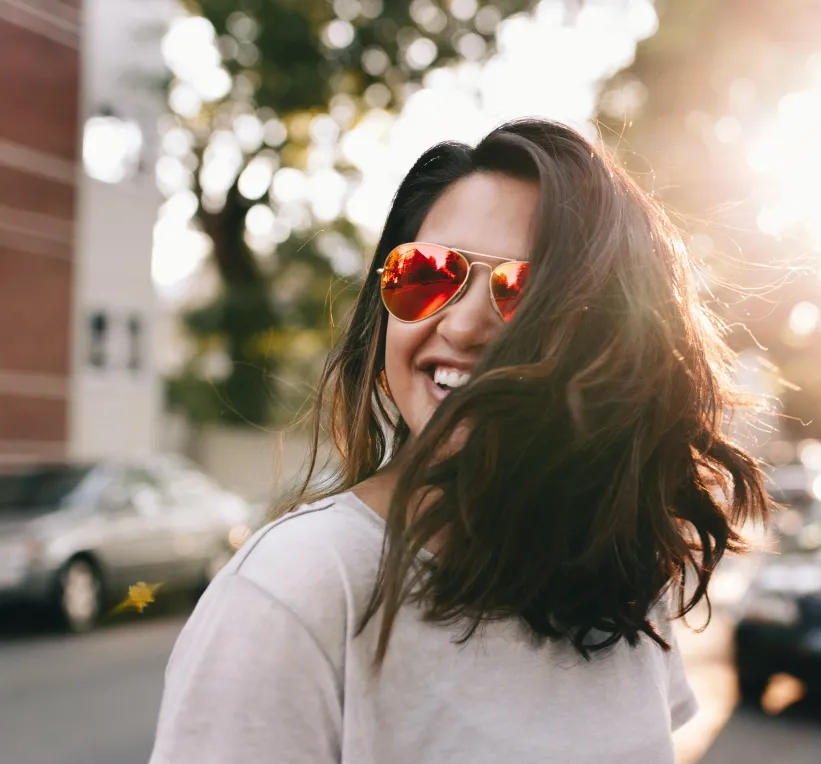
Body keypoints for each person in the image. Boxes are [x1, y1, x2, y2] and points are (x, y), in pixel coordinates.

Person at [149, 118, 770, 763]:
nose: (464, 323)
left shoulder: (621, 578)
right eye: (427, 274)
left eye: (526, 292)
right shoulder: (296, 587)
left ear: (613, 343)